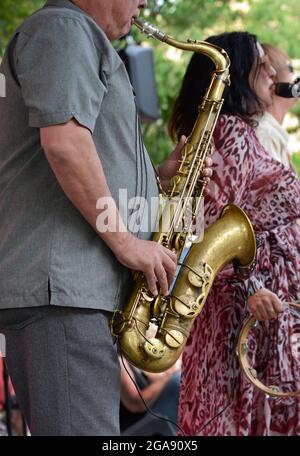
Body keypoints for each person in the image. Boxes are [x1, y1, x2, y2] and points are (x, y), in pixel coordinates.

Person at [0, 0, 212, 436]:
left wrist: (156, 180)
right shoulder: (63, 28)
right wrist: (129, 243)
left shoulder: (77, 36)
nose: (143, 4)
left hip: (75, 296)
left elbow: (79, 159)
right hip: (63, 295)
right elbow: (65, 145)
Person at [169, 31, 300, 436]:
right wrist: (253, 288)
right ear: (238, 72)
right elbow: (211, 232)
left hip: (258, 314)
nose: (271, 70)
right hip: (245, 317)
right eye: (260, 61)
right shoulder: (230, 131)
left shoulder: (237, 129)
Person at [255, 43, 298, 167]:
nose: (295, 78)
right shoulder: (265, 133)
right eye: (290, 69)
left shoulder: (270, 131)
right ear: (273, 80)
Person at [119, 357, 180, 434]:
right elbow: (135, 403)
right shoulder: (117, 358)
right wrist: (170, 375)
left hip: (163, 419)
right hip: (140, 425)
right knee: (177, 381)